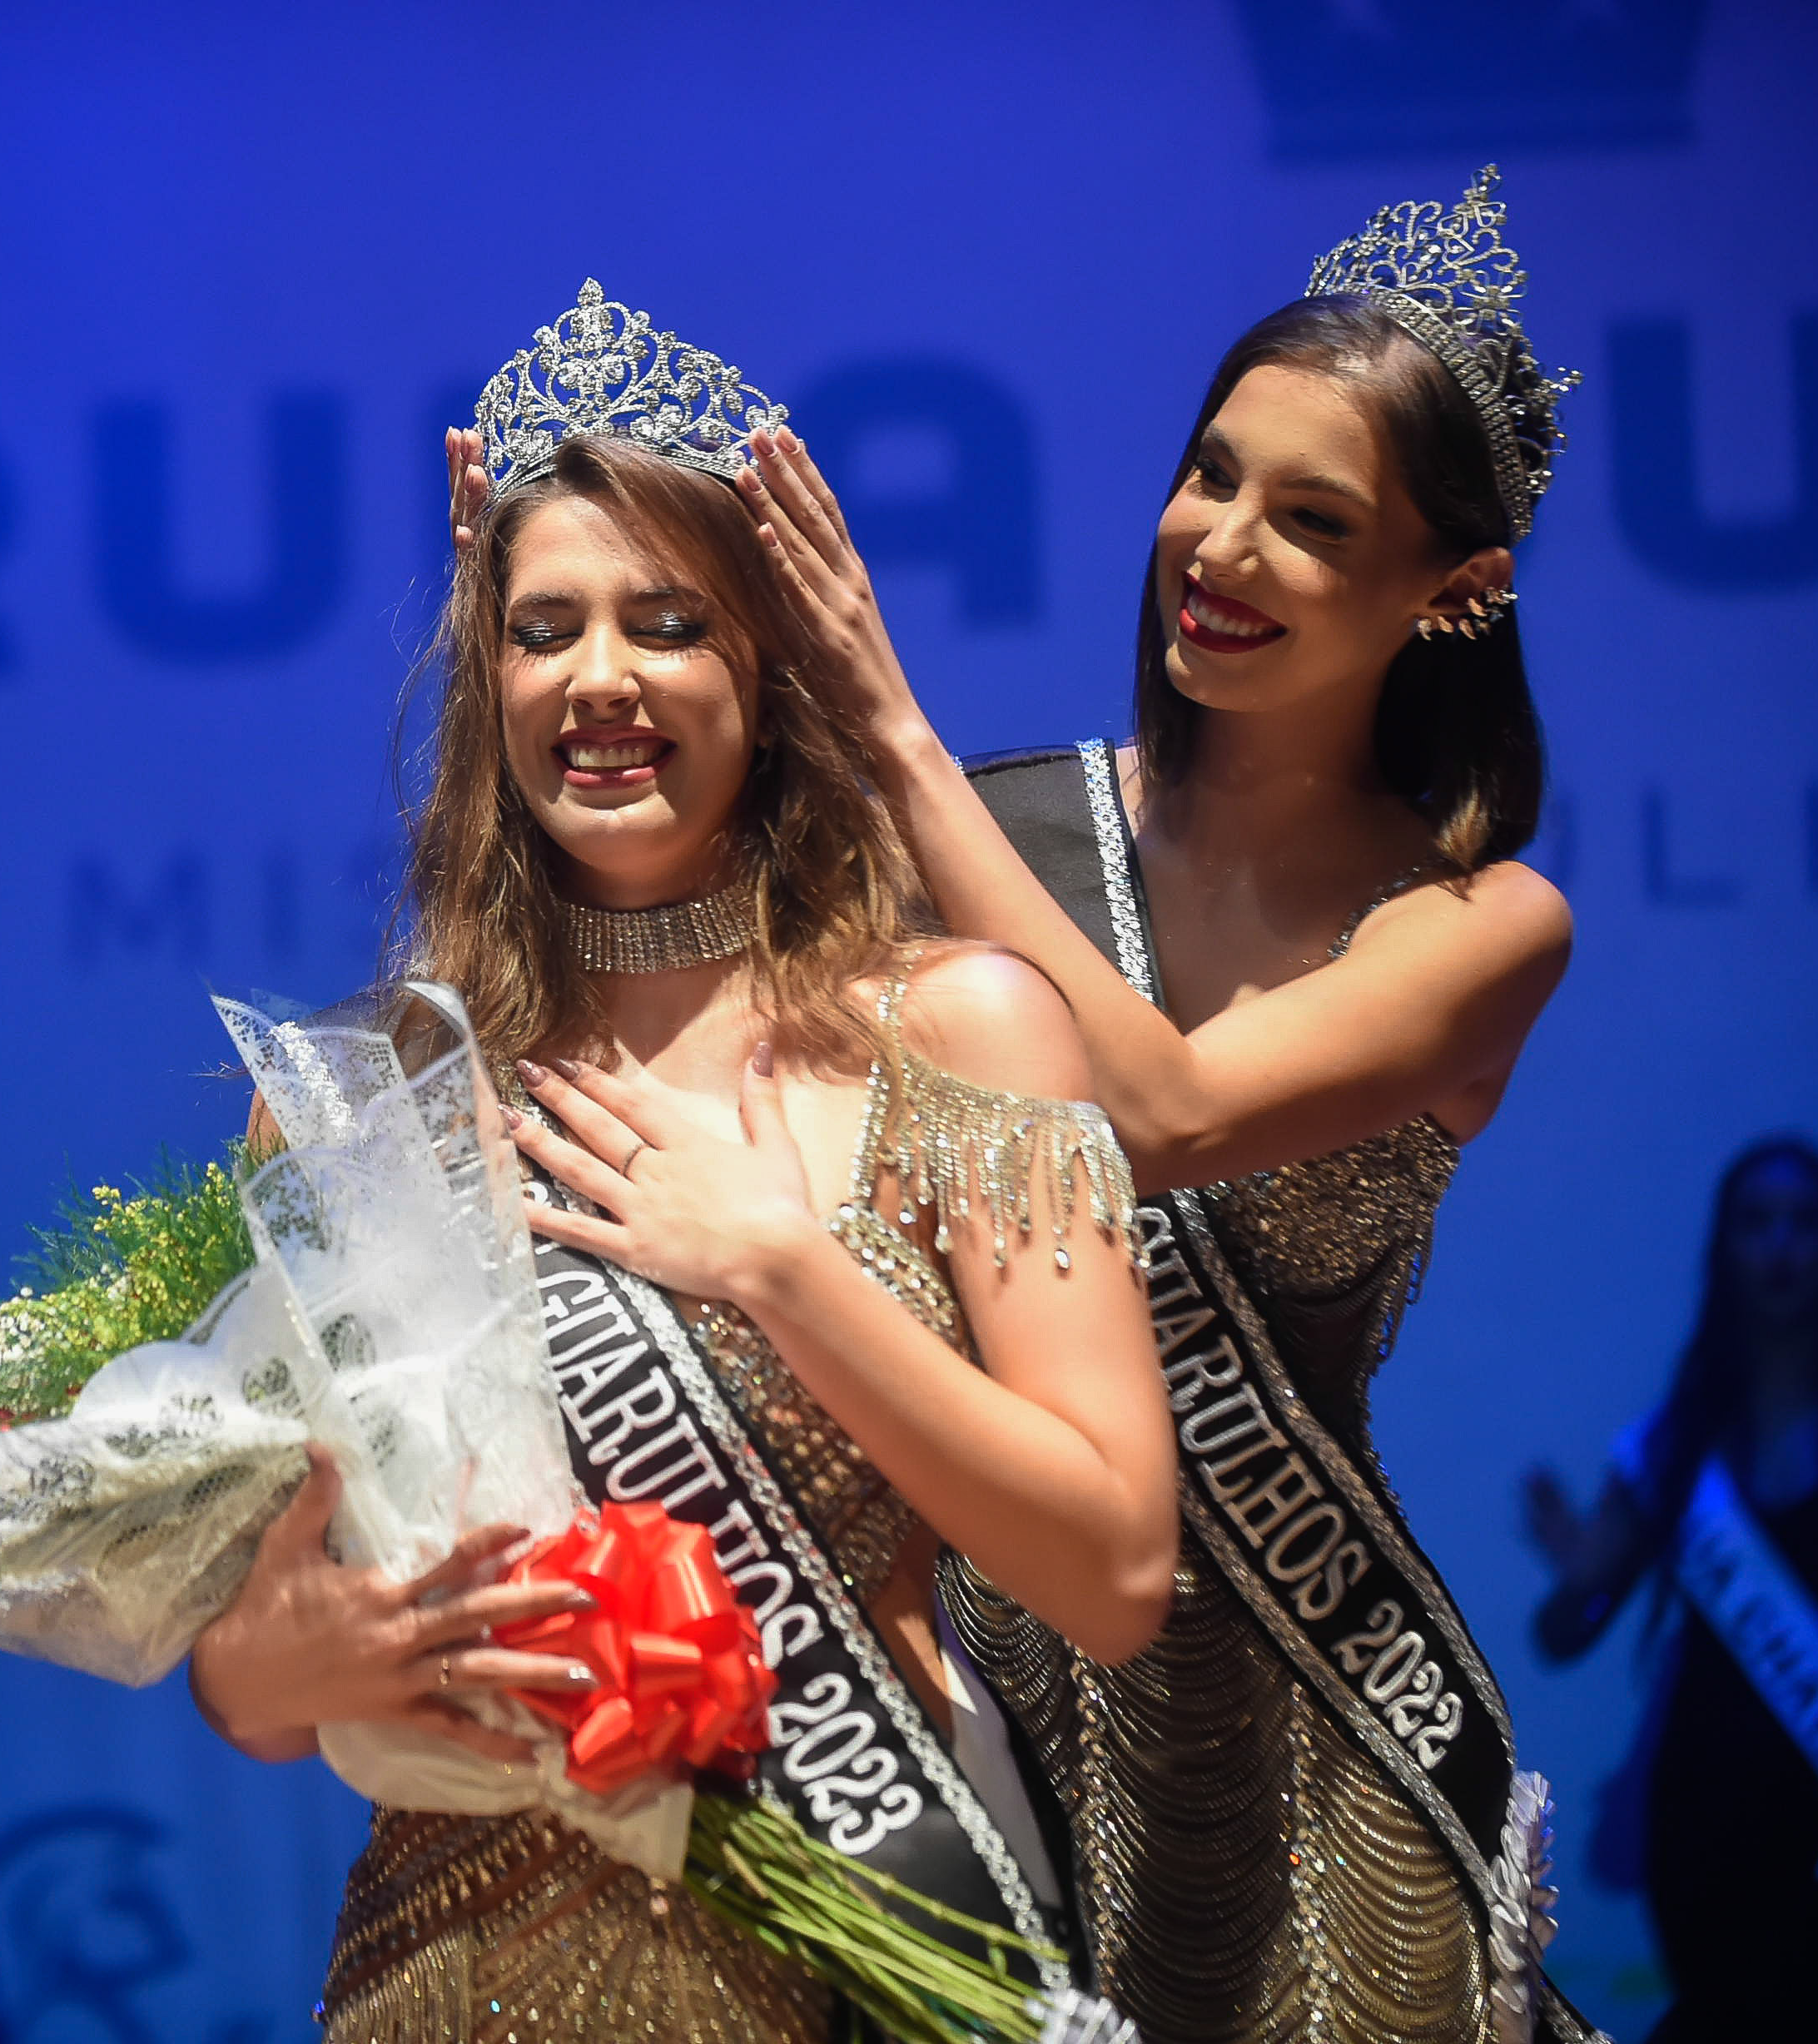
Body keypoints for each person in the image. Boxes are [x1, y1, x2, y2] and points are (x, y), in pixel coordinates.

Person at [437, 174, 1582, 2043]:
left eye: (1313, 520)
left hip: (1308, 1712)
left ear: (1458, 588)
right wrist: (551, 640)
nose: (1221, 546)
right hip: (976, 1695)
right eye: (1211, 476)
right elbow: (671, 952)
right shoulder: (1005, 831)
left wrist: (885, 724)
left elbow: (1169, 1112)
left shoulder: (1478, 922)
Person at [187, 282, 1180, 2042]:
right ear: (489, 680)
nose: (602, 679)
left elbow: (1112, 1575)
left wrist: (782, 1270)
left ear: (769, 673)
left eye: (668, 624)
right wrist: (294, 1663)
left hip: (858, 1927)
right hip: (453, 1963)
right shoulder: (359, 1097)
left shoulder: (959, 1031)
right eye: (544, 630)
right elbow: (247, 1678)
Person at [1524, 1138, 1818, 2040]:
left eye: (1805, 1222)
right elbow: (1562, 1634)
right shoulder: (1674, 1446)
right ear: (1725, 1249)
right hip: (1715, 1816)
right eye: (1757, 1223)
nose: (1781, 1246)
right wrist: (1578, 1578)